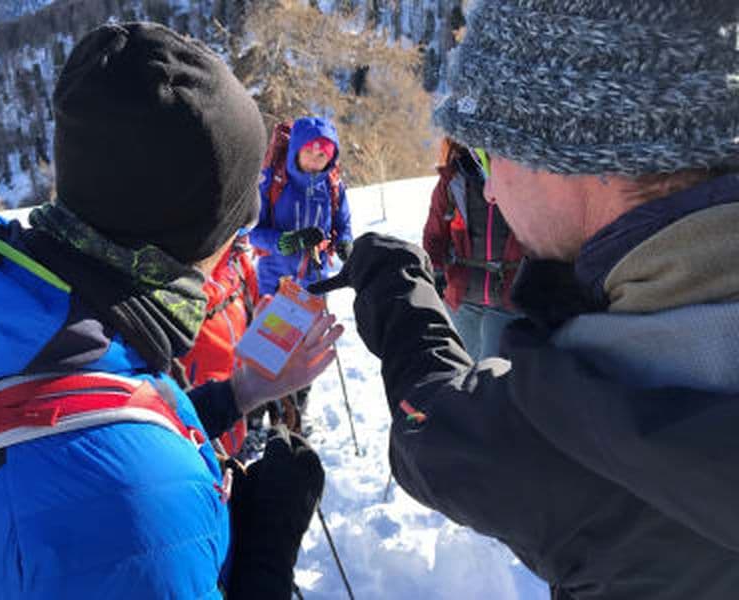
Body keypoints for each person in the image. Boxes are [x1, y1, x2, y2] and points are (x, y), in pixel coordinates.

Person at [311, 2, 739, 598]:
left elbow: (430, 431)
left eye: (491, 154)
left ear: (587, 156)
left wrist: (396, 282)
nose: (490, 186)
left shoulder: (575, 426)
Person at [0, 22, 341, 600]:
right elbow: (100, 480)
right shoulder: (132, 513)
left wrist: (237, 393)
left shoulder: (17, 302)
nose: (243, 242)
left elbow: (78, 419)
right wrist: (263, 559)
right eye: (238, 222)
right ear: (194, 236)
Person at [250, 116, 353, 432]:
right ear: (296, 149)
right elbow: (251, 231)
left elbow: (343, 223)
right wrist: (285, 241)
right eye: (311, 151)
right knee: (268, 354)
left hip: (314, 283)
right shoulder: (273, 182)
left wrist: (346, 244)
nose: (317, 159)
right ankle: (259, 421)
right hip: (276, 282)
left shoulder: (333, 186)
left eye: (324, 154)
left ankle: (296, 418)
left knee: (307, 353)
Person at [422, 137, 524, 360]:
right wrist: (436, 271)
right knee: (469, 368)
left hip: (508, 297)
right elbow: (434, 235)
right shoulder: (452, 181)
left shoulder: (522, 176)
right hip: (462, 296)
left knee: (492, 372)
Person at [177, 232, 259, 457]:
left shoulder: (237, 260)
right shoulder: (173, 271)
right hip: (194, 435)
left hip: (235, 407)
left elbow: (254, 304)